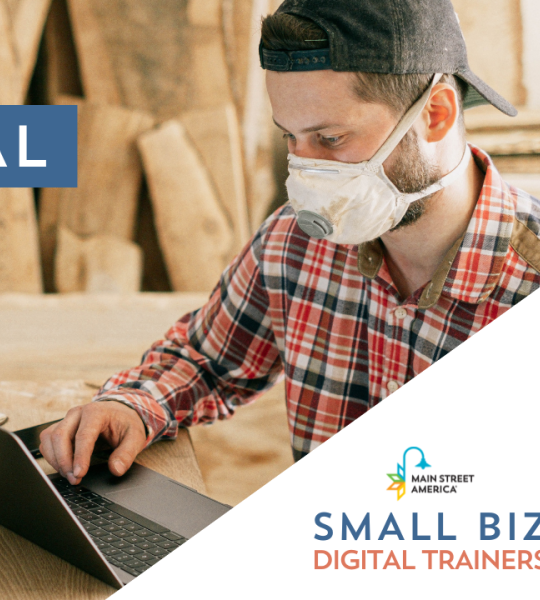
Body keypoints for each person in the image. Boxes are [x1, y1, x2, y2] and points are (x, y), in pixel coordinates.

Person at [40, 0, 540, 486]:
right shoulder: (295, 243)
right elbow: (207, 361)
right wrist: (128, 405)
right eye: (290, 139)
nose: (306, 174)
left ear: (435, 114)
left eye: (330, 140)